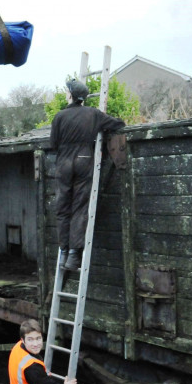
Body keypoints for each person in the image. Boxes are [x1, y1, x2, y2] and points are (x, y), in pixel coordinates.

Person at [50, 79, 125, 271]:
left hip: (64, 162)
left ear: (70, 95)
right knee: (80, 207)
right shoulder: (93, 114)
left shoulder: (59, 116)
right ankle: (74, 256)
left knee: (62, 207)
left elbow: (53, 143)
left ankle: (63, 253)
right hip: (84, 159)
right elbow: (118, 124)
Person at [8, 319, 78, 384]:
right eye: (30, 340)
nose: (35, 344)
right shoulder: (32, 368)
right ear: (23, 340)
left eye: (38, 338)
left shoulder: (17, 347)